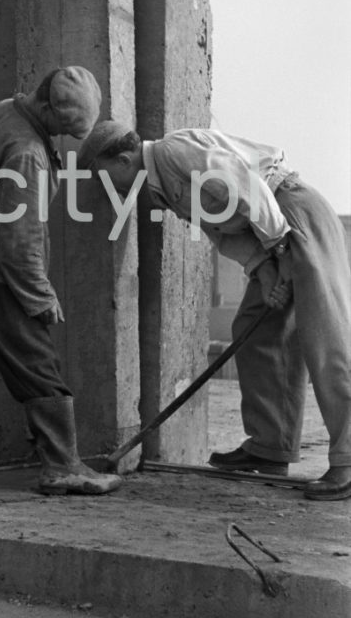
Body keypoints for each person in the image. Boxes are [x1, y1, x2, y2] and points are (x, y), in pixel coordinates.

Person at [77, 122, 351, 501]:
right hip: (267, 235)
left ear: (123, 159)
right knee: (257, 332)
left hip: (292, 214)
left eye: (107, 177)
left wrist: (283, 250)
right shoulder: (159, 187)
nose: (112, 190)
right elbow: (222, 231)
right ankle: (270, 448)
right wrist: (265, 267)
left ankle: (348, 461)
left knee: (326, 341)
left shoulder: (174, 153)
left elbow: (250, 189)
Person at [0, 66, 121, 496]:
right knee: (37, 363)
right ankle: (62, 466)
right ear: (45, 104)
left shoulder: (6, 108)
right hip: (0, 271)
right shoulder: (26, 152)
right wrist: (39, 297)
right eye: (60, 127)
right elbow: (20, 238)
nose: (62, 137)